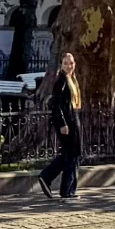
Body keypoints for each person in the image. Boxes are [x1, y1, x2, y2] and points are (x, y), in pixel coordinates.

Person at [37, 51, 84, 200]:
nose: (69, 66)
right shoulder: (61, 81)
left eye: (71, 63)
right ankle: (63, 188)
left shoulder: (72, 79)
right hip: (67, 121)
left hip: (73, 118)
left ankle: (61, 185)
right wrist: (63, 123)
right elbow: (57, 105)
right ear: (61, 65)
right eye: (66, 63)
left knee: (71, 155)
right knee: (71, 155)